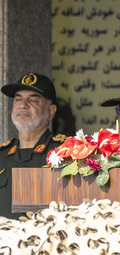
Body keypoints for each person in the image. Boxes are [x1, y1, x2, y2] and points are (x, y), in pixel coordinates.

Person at [0, 73, 66, 219]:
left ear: (51, 111)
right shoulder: (2, 155)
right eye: (18, 99)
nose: (23, 105)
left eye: (33, 100)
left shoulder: (66, 152)